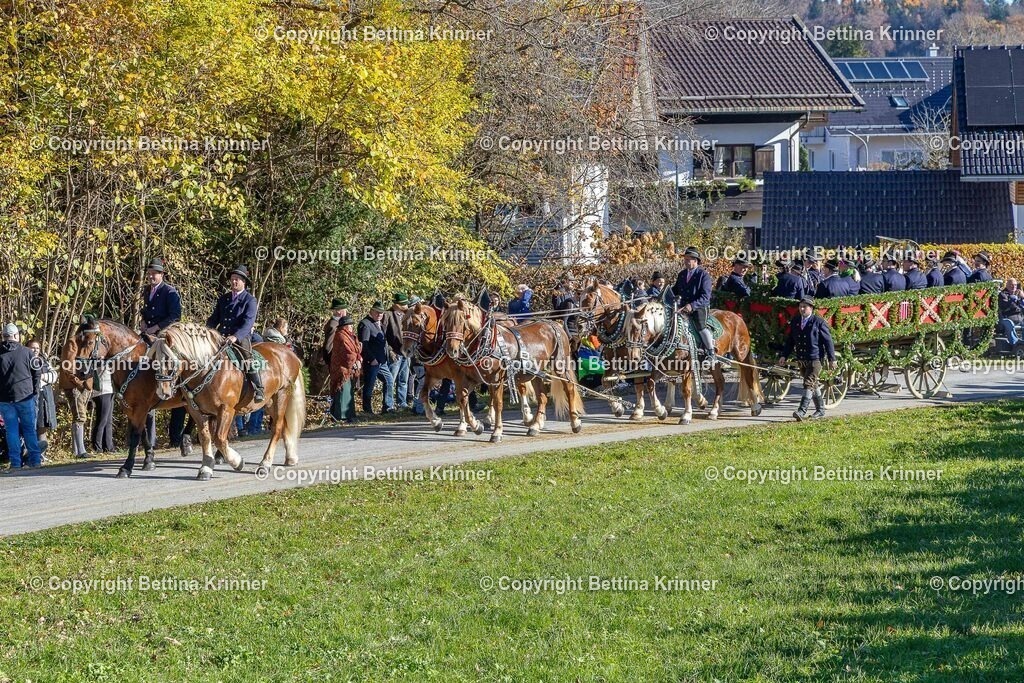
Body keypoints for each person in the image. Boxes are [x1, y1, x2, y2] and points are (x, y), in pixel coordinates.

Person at [140, 257, 184, 451]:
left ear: (161, 275)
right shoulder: (146, 290)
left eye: (154, 273)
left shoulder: (170, 292)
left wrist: (156, 328)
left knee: (172, 361)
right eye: (149, 273)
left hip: (166, 334)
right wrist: (143, 323)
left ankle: (178, 385)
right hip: (149, 334)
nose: (151, 276)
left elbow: (175, 316)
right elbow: (146, 312)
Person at [207, 265, 264, 402]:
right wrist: (207, 331)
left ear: (243, 282)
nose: (234, 282)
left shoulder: (250, 300)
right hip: (220, 336)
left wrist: (235, 336)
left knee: (246, 357)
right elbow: (214, 319)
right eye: (232, 279)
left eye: (237, 279)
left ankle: (258, 387)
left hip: (240, 336)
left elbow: (248, 323)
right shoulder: (224, 299)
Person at [778, 298, 836, 422]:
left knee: (808, 383)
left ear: (811, 308)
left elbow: (828, 341)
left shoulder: (818, 322)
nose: (802, 309)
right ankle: (820, 410)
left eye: (805, 306)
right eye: (800, 306)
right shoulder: (796, 321)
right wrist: (784, 355)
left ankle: (801, 411)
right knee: (813, 385)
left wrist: (832, 359)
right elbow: (790, 341)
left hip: (815, 359)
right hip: (802, 358)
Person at [0, 324, 42, 469]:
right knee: (29, 429)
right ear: (16, 336)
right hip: (25, 396)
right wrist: (35, 391)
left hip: (5, 399)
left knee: (11, 431)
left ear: (3, 336)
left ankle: (15, 463)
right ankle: (35, 460)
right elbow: (37, 372)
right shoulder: (27, 352)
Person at [671, 246, 716, 359]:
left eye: (688, 259)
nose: (685, 261)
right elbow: (675, 290)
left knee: (700, 326)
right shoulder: (682, 274)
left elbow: (706, 296)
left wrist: (692, 305)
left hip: (699, 307)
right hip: (683, 307)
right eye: (685, 259)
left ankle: (711, 352)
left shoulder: (703, 275)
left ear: (695, 260)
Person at [358, 302, 393, 415]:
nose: (379, 314)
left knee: (389, 380)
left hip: (382, 361)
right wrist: (371, 359)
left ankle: (387, 406)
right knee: (369, 385)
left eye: (381, 313)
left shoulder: (379, 323)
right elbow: (364, 345)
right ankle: (367, 410)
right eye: (377, 312)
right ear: (371, 311)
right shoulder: (365, 324)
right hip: (372, 361)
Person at [26, 340, 57, 461]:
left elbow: (54, 375)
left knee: (42, 425)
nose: (35, 350)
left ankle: (42, 453)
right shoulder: (24, 361)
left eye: (37, 348)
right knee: (31, 427)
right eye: (32, 348)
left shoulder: (44, 361)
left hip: (44, 396)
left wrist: (42, 377)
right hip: (30, 396)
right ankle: (32, 455)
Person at [328, 315, 362, 422]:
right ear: (345, 326)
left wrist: (359, 358)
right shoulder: (341, 336)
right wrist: (355, 361)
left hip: (349, 368)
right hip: (342, 368)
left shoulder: (350, 336)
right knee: (343, 391)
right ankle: (341, 416)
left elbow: (356, 350)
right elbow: (347, 352)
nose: (352, 327)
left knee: (348, 392)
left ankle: (349, 414)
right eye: (350, 325)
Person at [382, 293, 411, 409]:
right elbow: (383, 336)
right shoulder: (387, 315)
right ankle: (388, 405)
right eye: (403, 304)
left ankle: (402, 402)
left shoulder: (407, 315)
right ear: (396, 305)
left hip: (406, 352)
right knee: (391, 380)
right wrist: (390, 351)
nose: (406, 306)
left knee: (403, 379)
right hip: (395, 352)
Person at [90, 359, 115, 453]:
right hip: (102, 392)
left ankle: (108, 447)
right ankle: (97, 447)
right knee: (102, 420)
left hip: (110, 390)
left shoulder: (111, 359)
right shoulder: (97, 360)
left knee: (108, 421)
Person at [998, 279, 1024, 346]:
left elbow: (1021, 306)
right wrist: (1011, 301)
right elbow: (1004, 307)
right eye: (1011, 285)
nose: (1014, 286)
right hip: (1007, 317)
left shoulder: (1018, 293)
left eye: (1015, 285)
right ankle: (1015, 344)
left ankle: (1022, 343)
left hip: (1019, 317)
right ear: (1007, 285)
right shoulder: (1002, 294)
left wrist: (1022, 298)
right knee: (1009, 323)